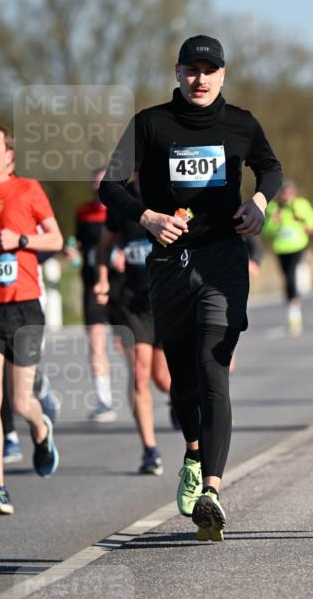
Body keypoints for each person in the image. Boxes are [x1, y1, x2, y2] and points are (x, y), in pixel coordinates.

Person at [99, 35, 282, 540]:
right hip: (167, 266)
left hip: (222, 261)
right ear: (177, 73)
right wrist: (148, 216)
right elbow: (109, 186)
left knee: (212, 368)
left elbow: (270, 167)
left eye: (210, 70)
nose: (200, 79)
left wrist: (260, 204)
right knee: (182, 381)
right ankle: (194, 455)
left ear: (223, 74)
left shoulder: (241, 123)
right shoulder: (151, 124)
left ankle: (213, 492)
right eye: (191, 70)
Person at [0, 122, 62, 514]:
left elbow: (57, 239)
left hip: (25, 308)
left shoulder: (28, 188)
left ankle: (40, 426)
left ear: (9, 155)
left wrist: (21, 241)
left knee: (19, 402)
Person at [93, 181, 171, 475]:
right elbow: (104, 245)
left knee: (164, 380)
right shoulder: (121, 199)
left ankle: (177, 400)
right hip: (133, 302)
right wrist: (102, 276)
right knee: (139, 374)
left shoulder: (170, 190)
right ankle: (150, 450)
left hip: (167, 297)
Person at [67, 169, 122, 422]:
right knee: (96, 343)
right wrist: (73, 253)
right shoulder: (82, 212)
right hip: (92, 285)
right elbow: (78, 243)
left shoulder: (124, 209)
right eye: (96, 182)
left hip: (122, 286)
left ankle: (169, 392)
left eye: (105, 182)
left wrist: (123, 255)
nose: (100, 186)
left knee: (131, 346)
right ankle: (105, 401)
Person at [263, 180, 313, 335]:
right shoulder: (273, 208)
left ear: (294, 193)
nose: (286, 196)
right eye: (283, 193)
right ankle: (292, 308)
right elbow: (266, 230)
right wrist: (274, 221)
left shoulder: (301, 204)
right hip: (281, 249)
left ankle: (294, 313)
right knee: (288, 279)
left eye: (289, 192)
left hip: (298, 246)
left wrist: (301, 219)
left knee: (293, 277)